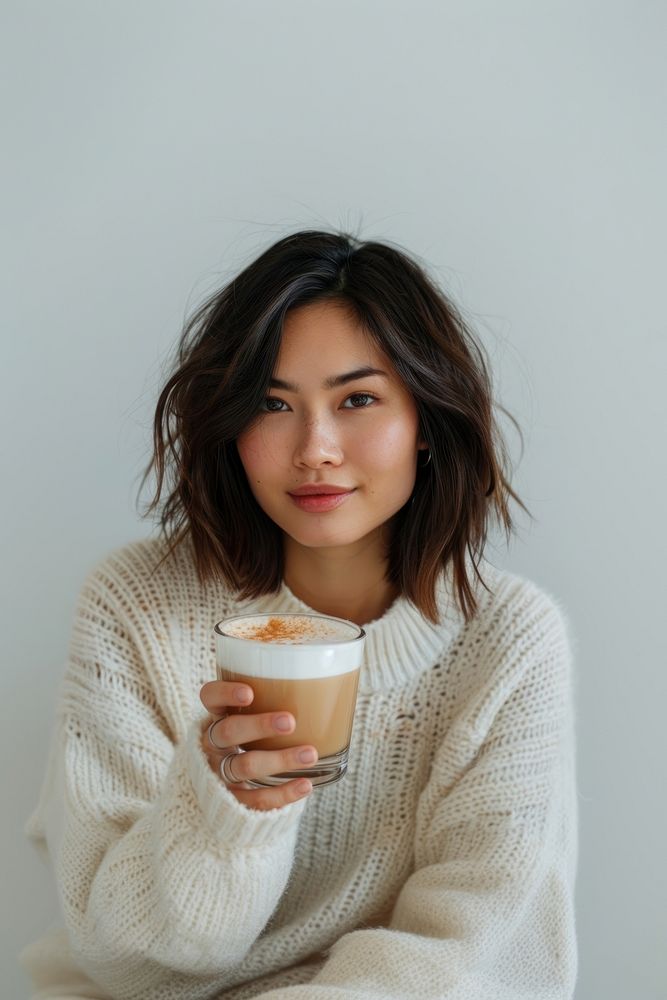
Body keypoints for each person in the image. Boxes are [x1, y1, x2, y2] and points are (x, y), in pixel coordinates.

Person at [22, 230, 578, 1000]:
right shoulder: (135, 604)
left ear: (425, 419)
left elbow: (479, 952)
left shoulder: (506, 638)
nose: (314, 449)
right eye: (271, 404)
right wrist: (226, 814)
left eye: (356, 400)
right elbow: (122, 957)